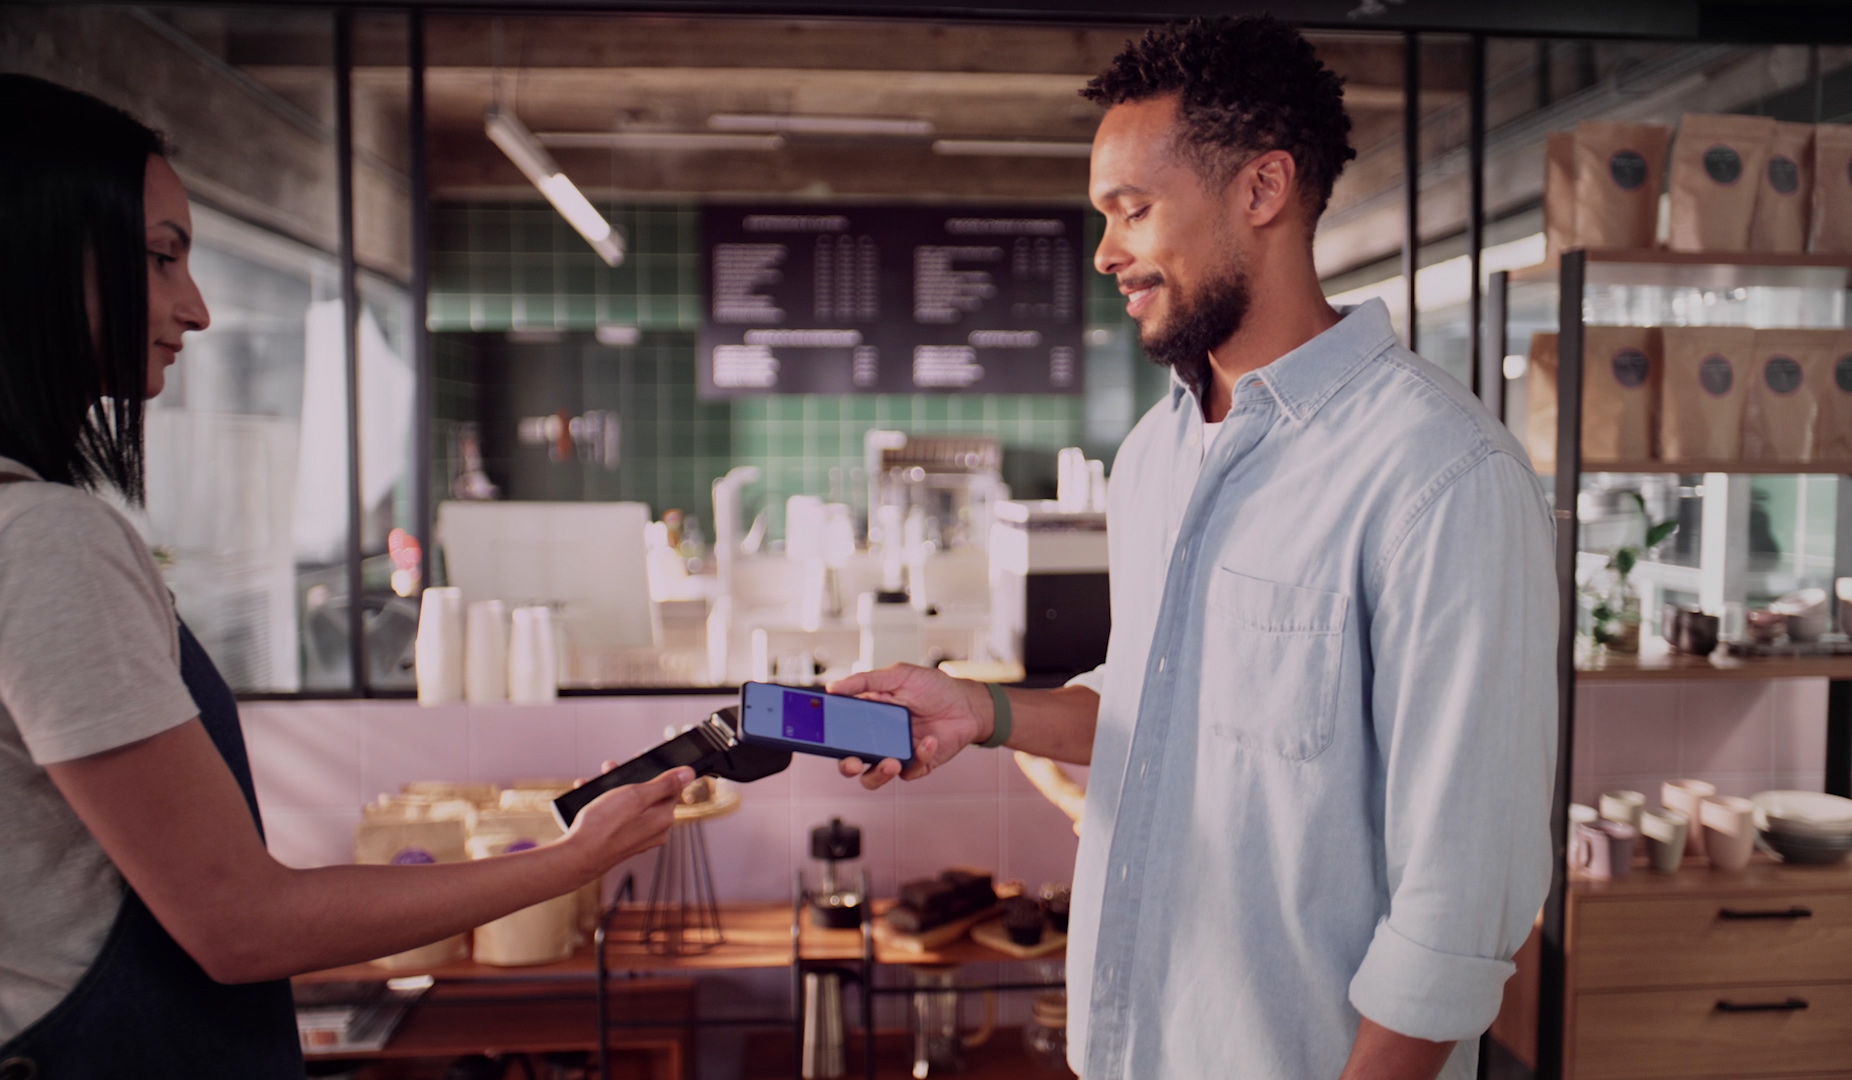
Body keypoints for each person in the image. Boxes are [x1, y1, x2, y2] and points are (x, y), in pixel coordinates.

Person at [831, 18, 1557, 1080]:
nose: (1105, 251)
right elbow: (1158, 708)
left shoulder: (1443, 474)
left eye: (1133, 210)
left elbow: (1460, 901)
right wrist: (981, 712)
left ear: (1261, 189)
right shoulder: (1155, 453)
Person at [0, 74, 692, 1077]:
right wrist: (574, 861)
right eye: (158, 260)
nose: (192, 309)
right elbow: (241, 923)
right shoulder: (46, 542)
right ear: (31, 261)